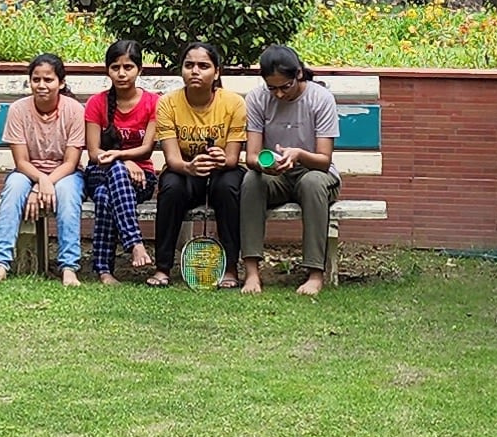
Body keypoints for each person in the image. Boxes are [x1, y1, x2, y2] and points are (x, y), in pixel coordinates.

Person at [237, 44, 342, 297]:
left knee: (312, 183)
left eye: (285, 87)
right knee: (252, 180)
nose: (279, 94)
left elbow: (324, 160)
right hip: (278, 175)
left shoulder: (320, 98)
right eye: (272, 88)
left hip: (314, 172)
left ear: (298, 75)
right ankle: (251, 272)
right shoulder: (257, 98)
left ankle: (315, 273)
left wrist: (298, 154)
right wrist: (266, 164)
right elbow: (251, 157)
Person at [149, 42, 253, 290]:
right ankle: (163, 267)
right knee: (171, 187)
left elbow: (232, 158)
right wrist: (190, 167)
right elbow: (172, 159)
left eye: (203, 66)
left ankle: (228, 267)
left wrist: (220, 159)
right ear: (181, 70)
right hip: (185, 170)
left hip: (223, 171)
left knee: (227, 188)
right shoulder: (167, 103)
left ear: (216, 72)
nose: (195, 71)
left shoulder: (233, 103)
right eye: (189, 65)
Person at [0, 53, 90, 285]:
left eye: (48, 80)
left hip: (66, 173)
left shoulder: (74, 110)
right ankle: (1, 264)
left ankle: (69, 267)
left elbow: (70, 162)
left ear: (61, 83)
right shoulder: (18, 110)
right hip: (27, 172)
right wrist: (38, 182)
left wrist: (42, 185)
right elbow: (21, 162)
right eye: (36, 80)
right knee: (13, 188)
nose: (41, 85)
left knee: (67, 193)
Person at [78, 42, 159, 281]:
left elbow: (147, 149)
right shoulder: (97, 103)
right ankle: (135, 243)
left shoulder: (153, 102)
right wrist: (122, 163)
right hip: (99, 171)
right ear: (107, 71)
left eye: (128, 67)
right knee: (114, 174)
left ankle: (104, 271)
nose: (121, 73)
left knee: (104, 196)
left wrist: (122, 158)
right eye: (115, 67)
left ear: (140, 70)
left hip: (141, 178)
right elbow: (94, 153)